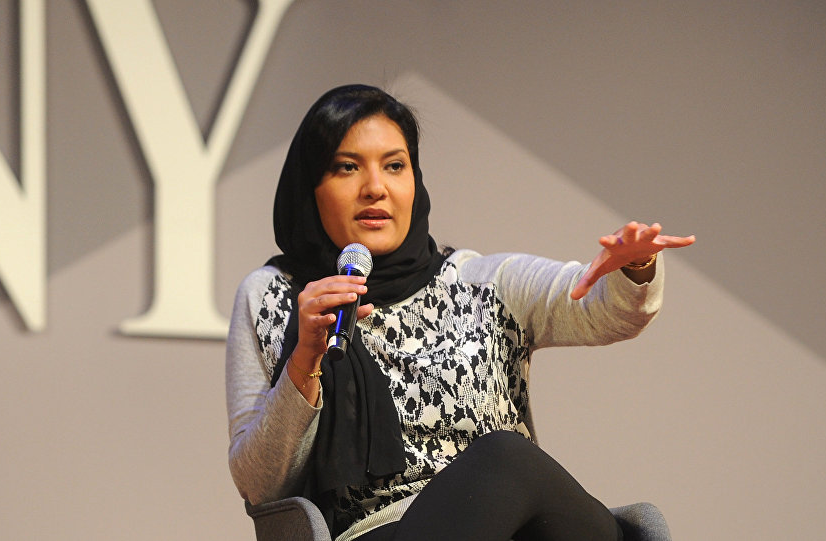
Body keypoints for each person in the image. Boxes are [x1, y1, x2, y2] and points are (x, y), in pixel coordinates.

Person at [225, 84, 694, 541]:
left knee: (520, 472)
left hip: (514, 524)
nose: (375, 188)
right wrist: (305, 358)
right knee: (507, 456)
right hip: (382, 529)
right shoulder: (274, 297)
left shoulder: (479, 281)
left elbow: (598, 305)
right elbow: (260, 485)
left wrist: (633, 268)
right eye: (347, 168)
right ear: (310, 187)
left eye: (395, 166)